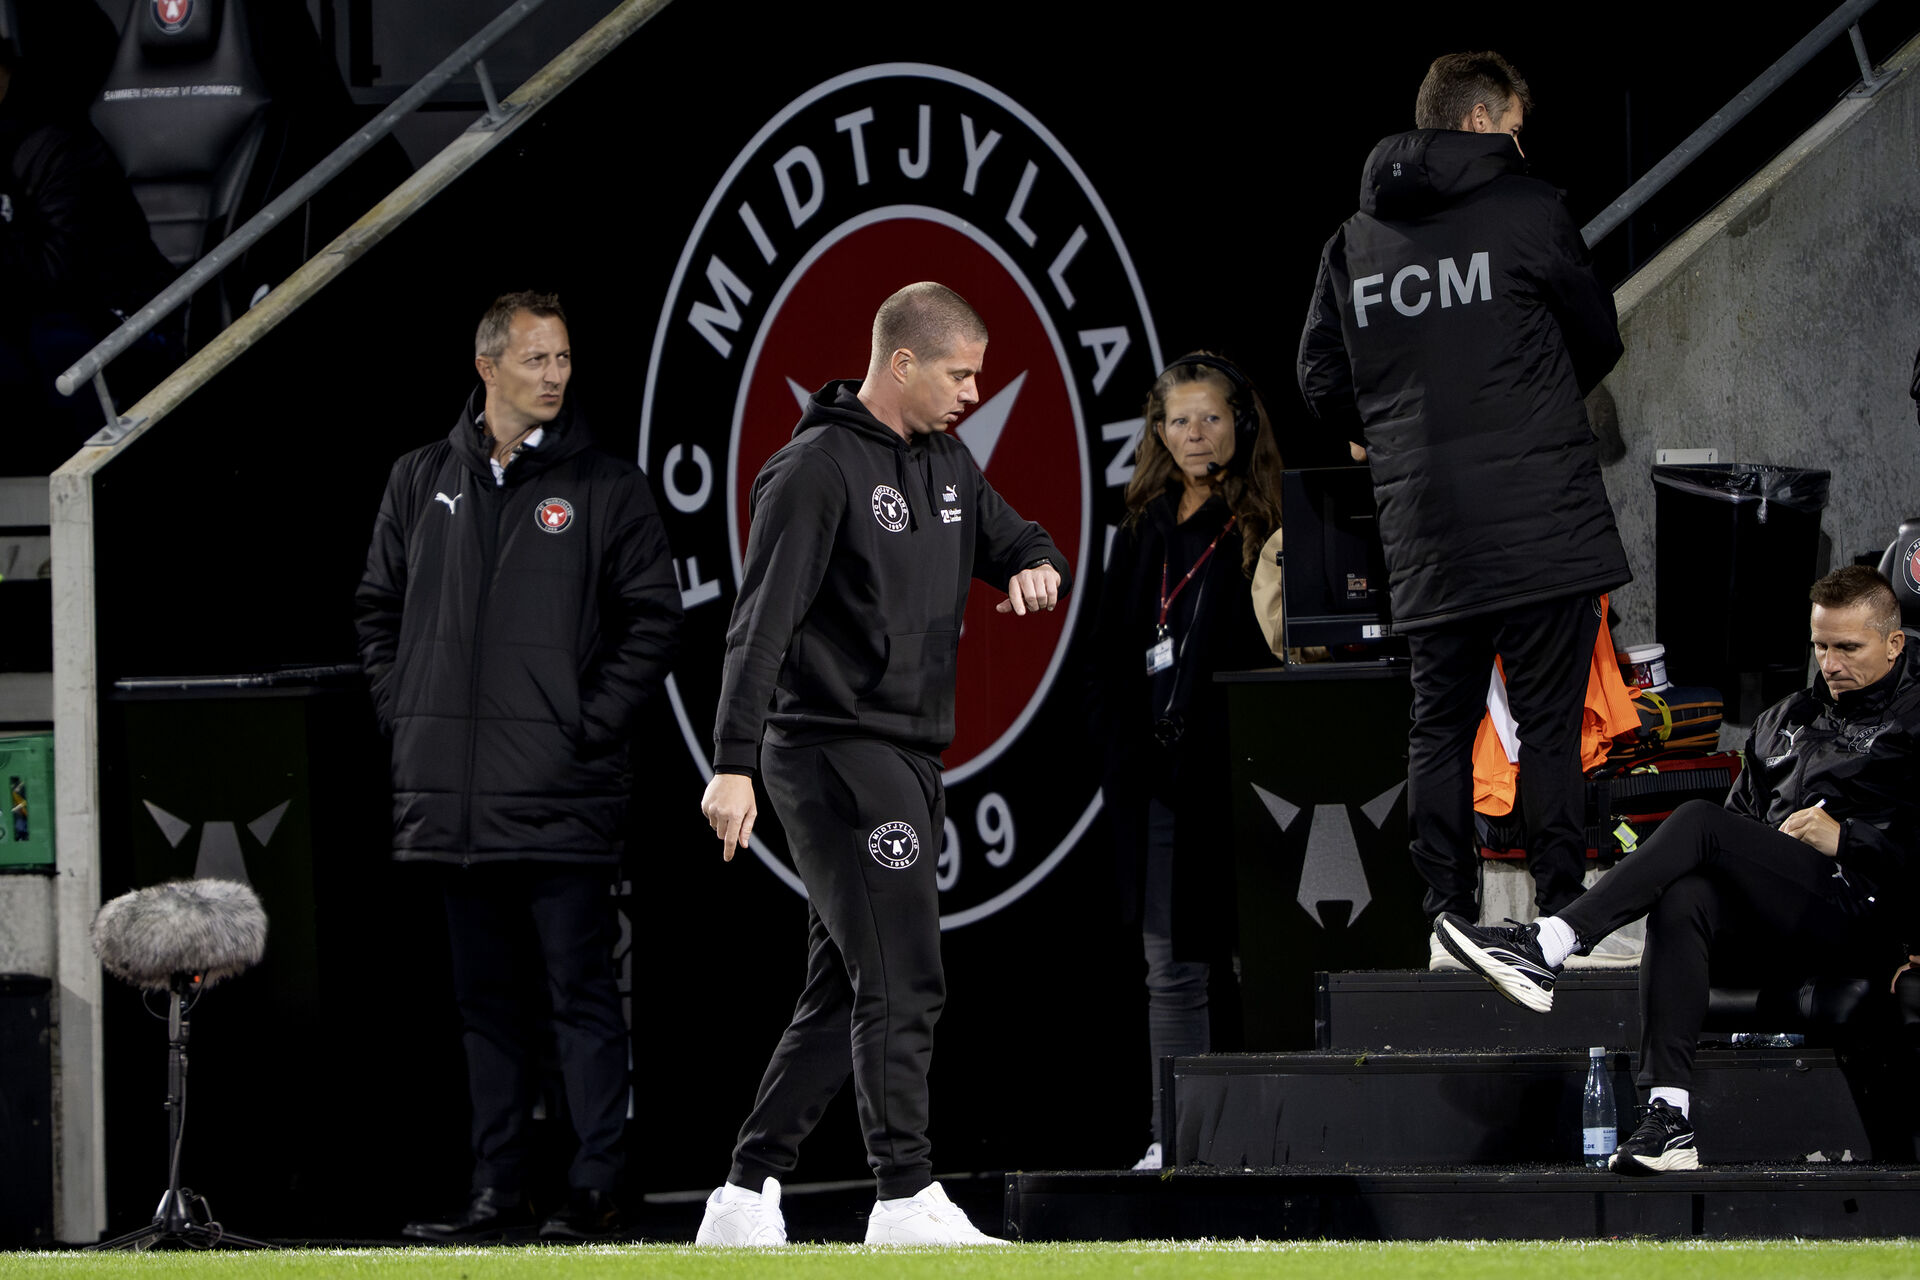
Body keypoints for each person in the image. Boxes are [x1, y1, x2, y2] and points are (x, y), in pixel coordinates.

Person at [694, 282, 1069, 1247]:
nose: (973, 393)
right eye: (959, 373)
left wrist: (1036, 565)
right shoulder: (814, 469)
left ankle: (743, 1194)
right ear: (901, 363)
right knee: (905, 971)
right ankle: (903, 1196)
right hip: (830, 749)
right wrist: (732, 763)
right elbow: (758, 627)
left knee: (847, 985)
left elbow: (1020, 537)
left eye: (980, 376)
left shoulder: (947, 461)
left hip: (907, 754)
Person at [355, 292, 682, 1241]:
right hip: (453, 804)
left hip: (560, 795)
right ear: (487, 367)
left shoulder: (606, 486)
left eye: (564, 358)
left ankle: (595, 1186)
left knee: (581, 997)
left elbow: (654, 620)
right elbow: (378, 610)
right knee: (485, 1010)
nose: (556, 375)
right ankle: (498, 1191)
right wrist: (408, 716)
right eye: (537, 359)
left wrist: (582, 726)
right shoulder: (420, 478)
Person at [1297, 51, 1631, 971]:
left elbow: (1318, 379)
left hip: (1428, 530)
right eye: (1515, 127)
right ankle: (1561, 917)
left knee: (1438, 725)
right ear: (1480, 120)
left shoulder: (1353, 240)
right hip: (1541, 515)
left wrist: (1390, 428)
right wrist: (1532, 395)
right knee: (1550, 723)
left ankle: (1447, 916)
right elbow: (1597, 334)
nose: (1521, 144)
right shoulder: (1529, 209)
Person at [1436, 566, 1918, 1174]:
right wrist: (1766, 853)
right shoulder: (1786, 719)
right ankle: (1669, 1119)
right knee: (1684, 893)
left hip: (1863, 915)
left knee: (1696, 821)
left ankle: (1548, 943)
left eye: (1848, 647)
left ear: (1893, 643)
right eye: (1820, 646)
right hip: (1782, 915)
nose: (1830, 663)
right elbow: (1738, 825)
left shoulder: (1914, 720)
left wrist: (1846, 838)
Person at [1089, 353, 1283, 1172]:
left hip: (1243, 776)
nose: (1196, 434)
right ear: (1158, 432)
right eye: (1179, 420)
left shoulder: (1270, 520)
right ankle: (1176, 1137)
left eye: (1211, 417)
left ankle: (1278, 1137)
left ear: (1242, 422)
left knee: (1255, 961)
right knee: (1169, 968)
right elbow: (1110, 655)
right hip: (1159, 782)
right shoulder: (1144, 528)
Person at [0, 22, 174, 471]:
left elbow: (56, 275)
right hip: (43, 328)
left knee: (48, 344)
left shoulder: (55, 140)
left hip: (114, 323)